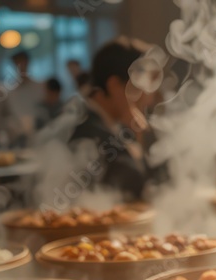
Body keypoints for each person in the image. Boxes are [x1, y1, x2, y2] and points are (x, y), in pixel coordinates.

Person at [68, 37, 166, 201]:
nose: (148, 98)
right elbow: (129, 189)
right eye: (142, 87)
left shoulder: (113, 123)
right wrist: (138, 140)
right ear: (114, 85)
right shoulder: (85, 129)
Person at [8, 51, 45, 127]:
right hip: (19, 129)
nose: (21, 66)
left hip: (39, 127)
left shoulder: (40, 86)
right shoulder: (10, 90)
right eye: (17, 63)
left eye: (23, 62)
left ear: (28, 62)